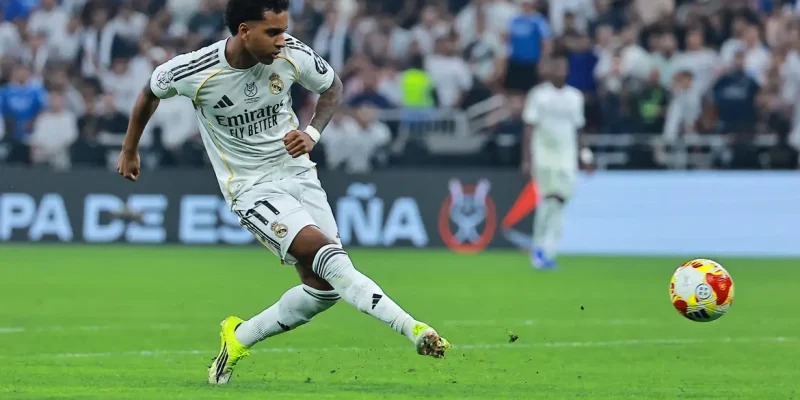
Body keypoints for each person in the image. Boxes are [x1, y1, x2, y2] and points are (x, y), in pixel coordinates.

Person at [115, 0, 450, 385]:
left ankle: (239, 338)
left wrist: (312, 133)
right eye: (272, 32)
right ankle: (414, 329)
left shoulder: (292, 54)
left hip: (298, 174)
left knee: (324, 289)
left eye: (284, 30)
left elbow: (332, 87)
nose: (282, 40)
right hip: (250, 187)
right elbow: (149, 92)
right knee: (331, 258)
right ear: (244, 30)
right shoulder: (195, 69)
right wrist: (130, 148)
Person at [521, 54, 592, 270]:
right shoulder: (538, 95)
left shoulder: (575, 97)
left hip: (566, 156)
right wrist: (526, 158)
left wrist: (584, 155)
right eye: (555, 66)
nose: (559, 70)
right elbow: (529, 127)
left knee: (560, 202)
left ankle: (547, 250)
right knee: (548, 198)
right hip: (543, 154)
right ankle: (539, 248)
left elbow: (579, 129)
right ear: (549, 70)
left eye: (562, 66)